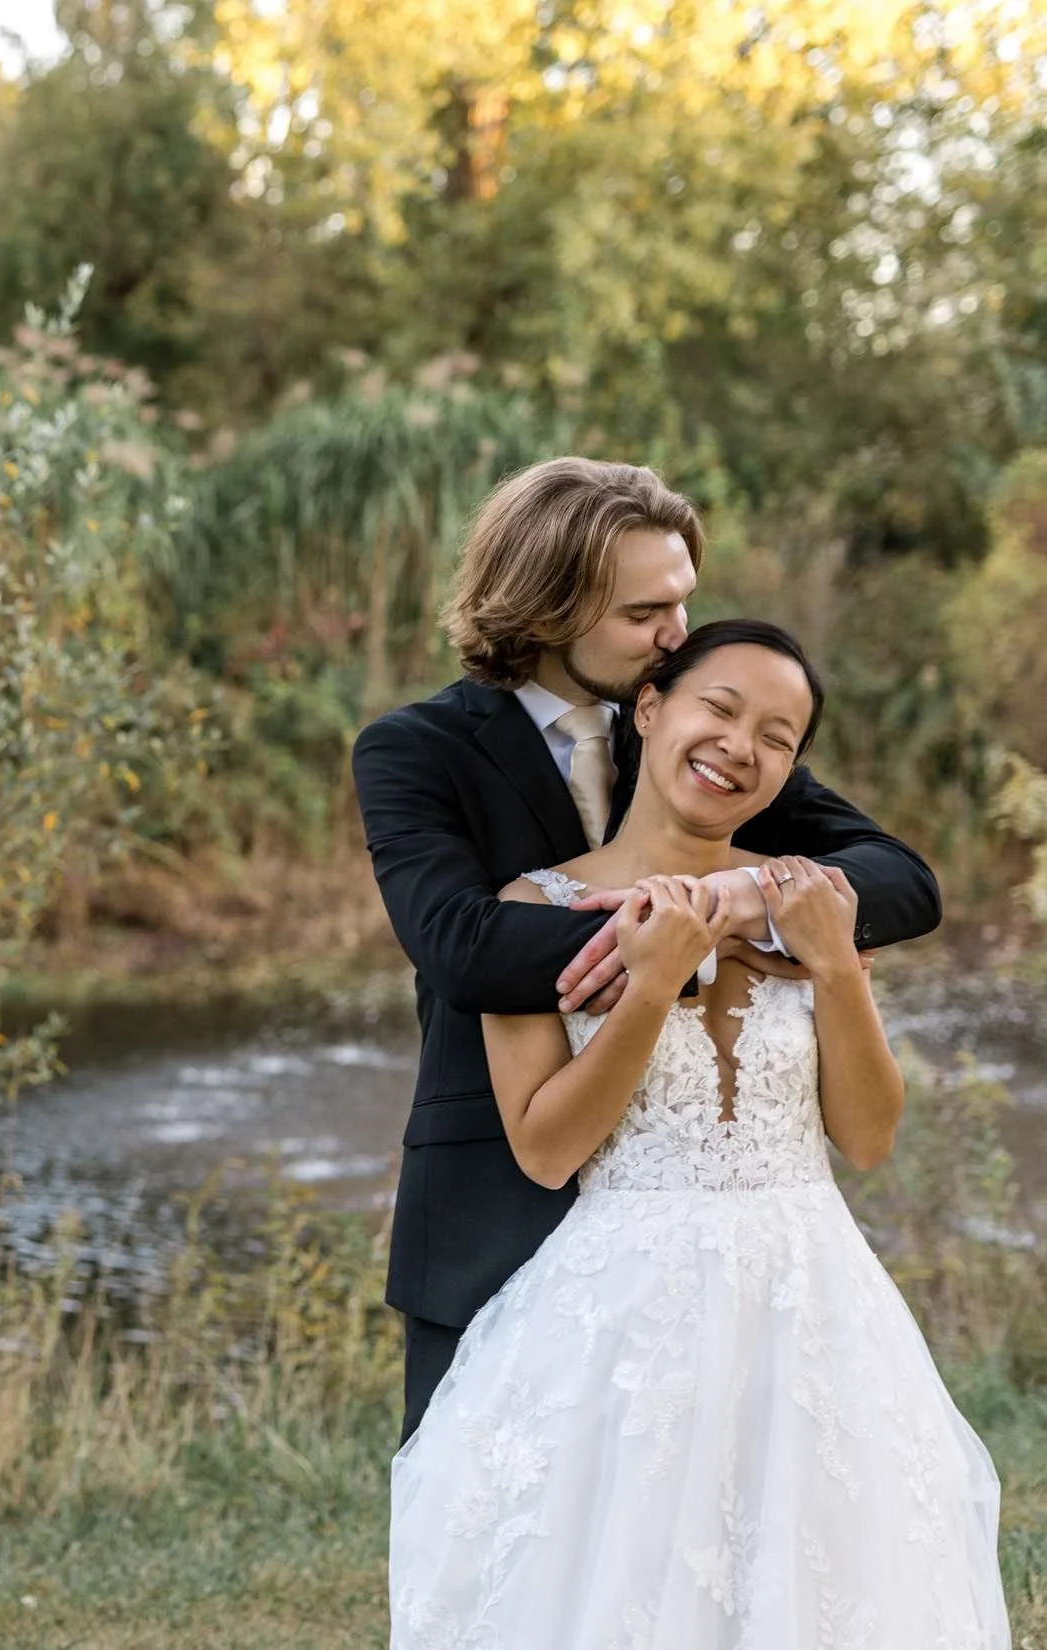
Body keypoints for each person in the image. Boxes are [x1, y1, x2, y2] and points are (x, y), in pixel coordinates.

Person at [385, 619, 1008, 1650]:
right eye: (718, 709)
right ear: (650, 708)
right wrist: (651, 981)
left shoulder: (806, 899)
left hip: (815, 1306)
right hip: (622, 1317)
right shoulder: (531, 906)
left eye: (777, 735)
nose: (740, 746)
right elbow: (545, 1149)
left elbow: (864, 1135)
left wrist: (835, 963)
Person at [350, 458, 939, 1442]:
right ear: (547, 604)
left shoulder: (689, 728)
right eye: (643, 613)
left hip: (709, 1237)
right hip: (491, 1195)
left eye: (681, 603)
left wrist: (739, 892)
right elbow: (460, 948)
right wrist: (681, 944)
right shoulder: (416, 750)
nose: (675, 634)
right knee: (488, 1534)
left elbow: (897, 879)